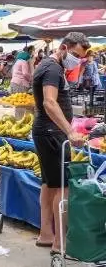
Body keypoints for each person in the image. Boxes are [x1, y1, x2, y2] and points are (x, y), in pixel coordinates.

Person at [32, 32, 90, 254]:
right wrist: (70, 131)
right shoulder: (53, 69)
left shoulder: (49, 66)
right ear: (64, 48)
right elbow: (49, 102)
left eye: (81, 58)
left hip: (46, 132)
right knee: (63, 187)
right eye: (75, 55)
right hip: (52, 133)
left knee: (49, 184)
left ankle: (46, 234)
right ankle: (60, 243)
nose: (77, 60)